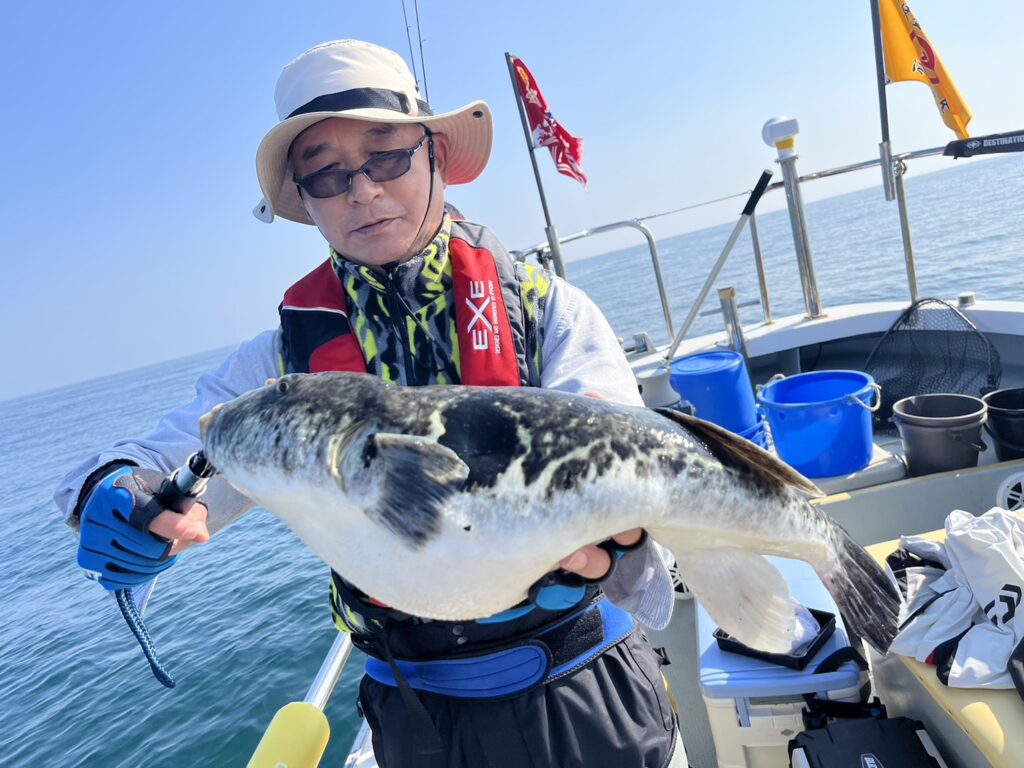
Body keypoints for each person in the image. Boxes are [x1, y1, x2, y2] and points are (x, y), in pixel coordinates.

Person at [56, 39, 685, 767]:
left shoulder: (550, 314)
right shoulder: (279, 368)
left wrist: (626, 531)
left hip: (587, 681)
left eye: (386, 156)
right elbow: (162, 457)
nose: (361, 191)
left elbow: (625, 457)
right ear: (305, 199)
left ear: (435, 156)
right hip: (416, 718)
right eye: (327, 174)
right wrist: (118, 491)